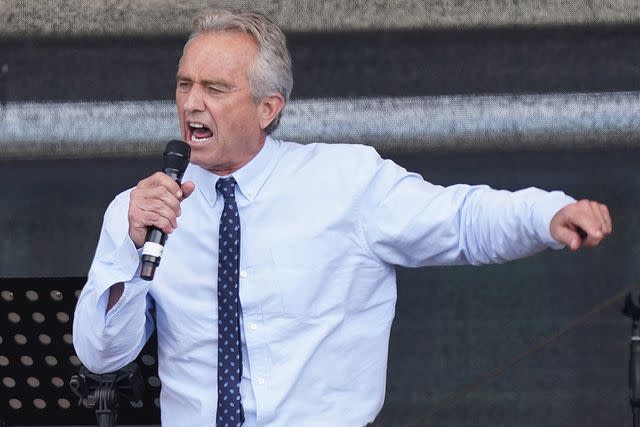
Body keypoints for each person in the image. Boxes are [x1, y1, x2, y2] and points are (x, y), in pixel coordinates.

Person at [72, 8, 612, 427]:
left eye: (215, 89)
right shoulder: (140, 209)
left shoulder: (346, 181)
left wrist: (547, 213)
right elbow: (101, 356)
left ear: (268, 107)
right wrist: (130, 245)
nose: (192, 103)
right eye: (185, 84)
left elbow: (462, 220)